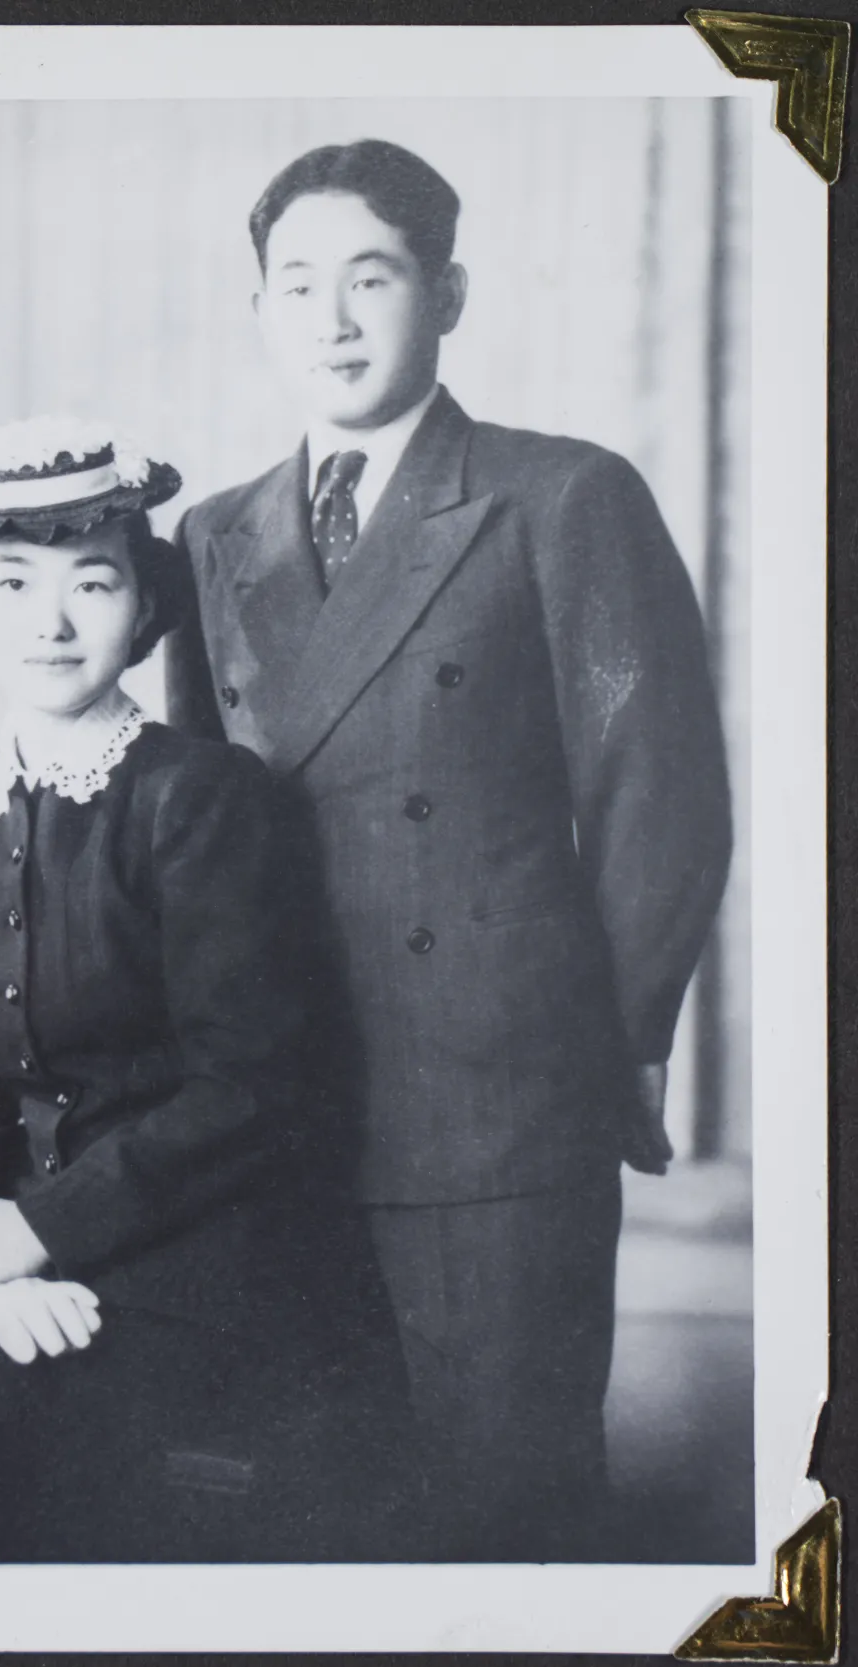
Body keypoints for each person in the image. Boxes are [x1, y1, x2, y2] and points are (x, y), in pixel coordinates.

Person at [167, 139, 734, 1560]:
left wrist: (616, 1046)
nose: (334, 320)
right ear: (259, 313)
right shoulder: (212, 534)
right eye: (296, 286)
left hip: (499, 1108)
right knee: (319, 1510)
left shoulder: (561, 495)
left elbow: (661, 792)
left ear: (451, 294)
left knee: (508, 1509)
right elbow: (197, 837)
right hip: (286, 1108)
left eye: (373, 278)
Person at [0, 415, 413, 1565]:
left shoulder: (206, 794)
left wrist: (40, 1230)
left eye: (92, 582)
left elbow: (256, 1088)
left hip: (194, 1270)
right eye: (13, 582)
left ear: (146, 605)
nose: (50, 622)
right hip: (3, 1257)